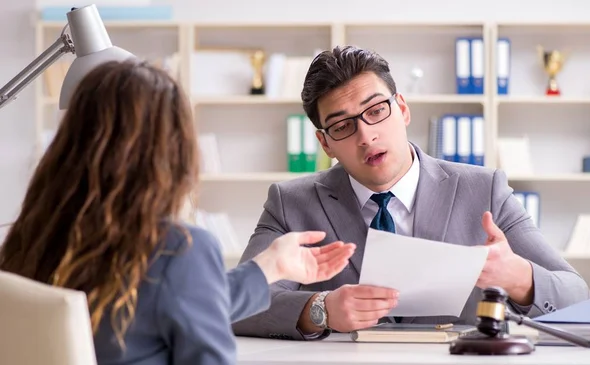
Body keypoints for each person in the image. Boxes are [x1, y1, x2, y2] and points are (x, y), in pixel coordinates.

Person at [0, 60, 356, 364]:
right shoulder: (176, 249)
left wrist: (268, 268)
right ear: (172, 153)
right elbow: (180, 298)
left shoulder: (30, 239)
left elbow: (172, 301)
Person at [232, 45, 590, 340]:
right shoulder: (290, 202)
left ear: (402, 108)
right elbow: (234, 307)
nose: (366, 135)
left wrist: (519, 277)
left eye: (376, 111)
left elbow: (575, 294)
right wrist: (320, 309)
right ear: (325, 143)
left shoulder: (485, 189)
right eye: (342, 126)